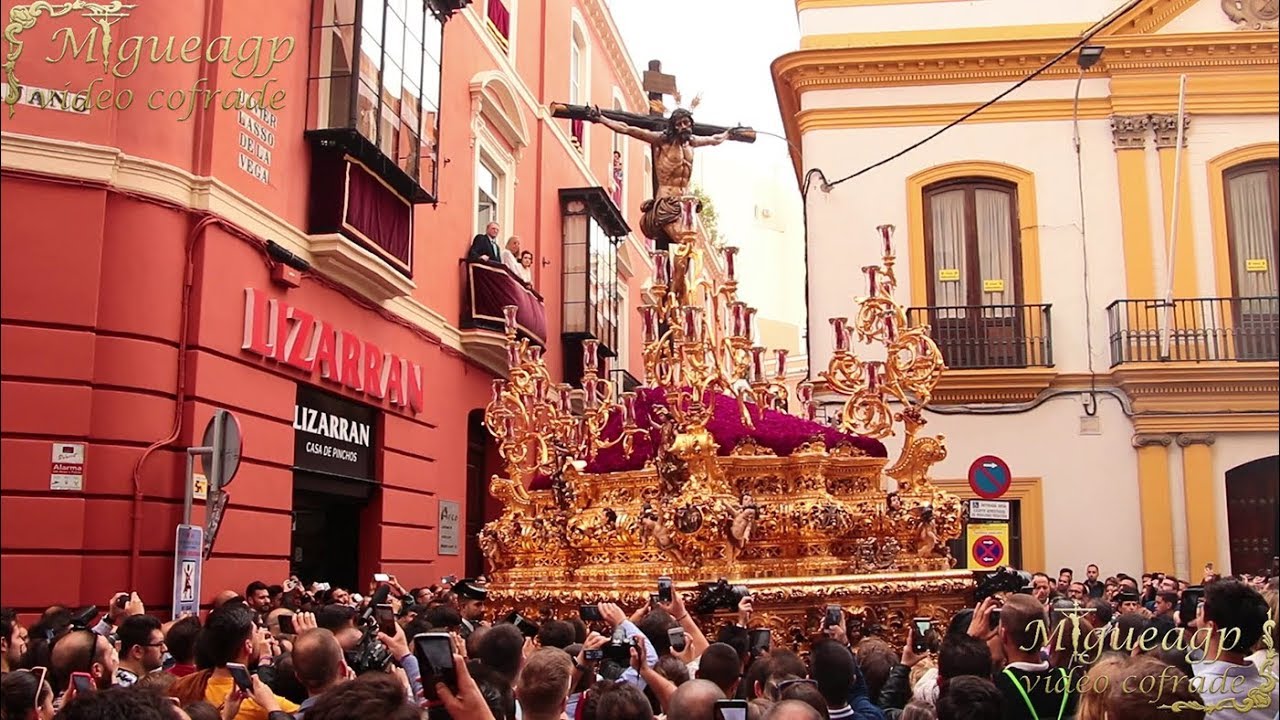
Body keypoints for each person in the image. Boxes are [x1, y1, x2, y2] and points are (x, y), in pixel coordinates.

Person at [586, 107, 739, 250]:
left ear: (691, 124)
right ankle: (674, 277)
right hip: (667, 201)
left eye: (686, 123)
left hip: (685, 204)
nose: (683, 127)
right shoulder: (663, 141)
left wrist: (728, 134)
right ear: (674, 127)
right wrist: (602, 119)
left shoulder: (692, 142)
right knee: (685, 242)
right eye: (679, 124)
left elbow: (715, 139)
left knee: (690, 246)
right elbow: (628, 129)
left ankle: (678, 278)